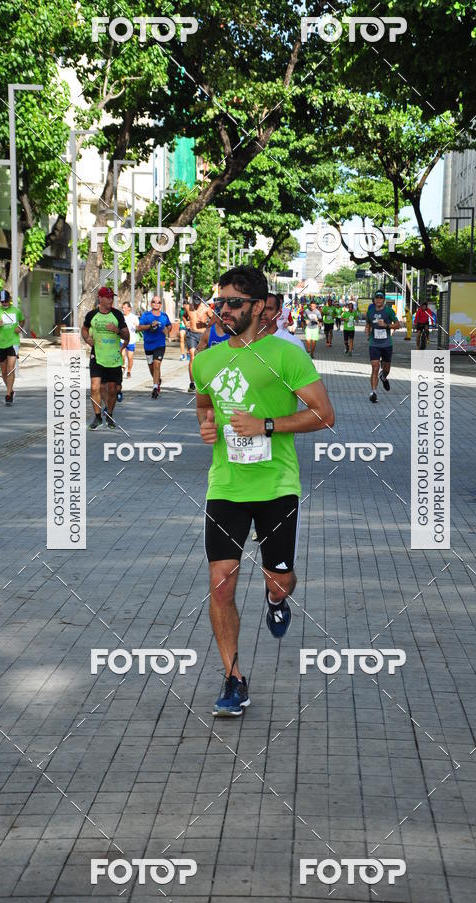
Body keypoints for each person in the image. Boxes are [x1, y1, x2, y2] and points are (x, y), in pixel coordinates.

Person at [193, 266, 335, 717]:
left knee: (279, 578)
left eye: (234, 302)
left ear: (258, 307)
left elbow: (324, 414)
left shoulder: (287, 355)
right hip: (226, 487)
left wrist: (266, 426)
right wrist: (207, 426)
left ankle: (276, 598)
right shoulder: (206, 360)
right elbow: (202, 405)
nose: (224, 309)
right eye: (220, 302)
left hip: (276, 485)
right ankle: (233, 679)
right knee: (220, 585)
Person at [82, 286, 129, 430]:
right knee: (94, 387)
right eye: (107, 297)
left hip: (113, 358)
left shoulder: (117, 315)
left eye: (112, 297)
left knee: (113, 389)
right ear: (100, 298)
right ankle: (97, 417)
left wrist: (117, 330)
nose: (110, 300)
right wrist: (87, 338)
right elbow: (84, 329)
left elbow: (127, 336)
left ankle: (109, 415)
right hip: (97, 356)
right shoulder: (91, 315)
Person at [0, 289, 25, 405]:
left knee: (10, 368)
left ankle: (8, 394)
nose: (4, 303)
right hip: (0, 343)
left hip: (13, 342)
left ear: (10, 299)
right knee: (3, 371)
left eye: (6, 301)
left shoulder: (16, 310)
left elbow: (22, 321)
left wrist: (20, 327)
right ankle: (11, 389)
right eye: (2, 302)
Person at [365, 290, 401, 403]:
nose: (379, 299)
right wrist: (367, 331)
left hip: (386, 344)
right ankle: (373, 392)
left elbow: (398, 325)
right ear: (374, 299)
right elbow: (368, 324)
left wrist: (386, 325)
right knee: (375, 367)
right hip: (374, 344)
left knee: (386, 368)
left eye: (381, 298)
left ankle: (384, 377)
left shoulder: (388, 311)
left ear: (384, 299)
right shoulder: (370, 312)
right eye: (377, 298)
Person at [137, 295, 171, 398]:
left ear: (161, 304)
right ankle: (157, 380)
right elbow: (139, 328)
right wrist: (150, 326)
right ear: (151, 303)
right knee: (151, 367)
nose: (156, 303)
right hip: (148, 345)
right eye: (154, 302)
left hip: (160, 344)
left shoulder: (164, 316)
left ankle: (155, 387)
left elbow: (169, 326)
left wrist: (167, 330)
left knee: (157, 365)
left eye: (158, 302)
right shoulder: (146, 315)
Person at [183, 294, 212, 392]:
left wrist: (206, 323)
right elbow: (184, 315)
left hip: (202, 335)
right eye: (195, 302)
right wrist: (185, 322)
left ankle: (203, 381)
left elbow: (214, 320)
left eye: (198, 302)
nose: (196, 304)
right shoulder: (188, 307)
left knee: (203, 359)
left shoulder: (206, 308)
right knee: (192, 357)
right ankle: (192, 383)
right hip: (191, 334)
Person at [121, 300, 139, 382]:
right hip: (122, 339)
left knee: (130, 358)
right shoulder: (121, 317)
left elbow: (138, 327)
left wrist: (136, 325)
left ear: (129, 308)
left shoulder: (134, 317)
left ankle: (128, 371)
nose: (123, 309)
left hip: (131, 340)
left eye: (125, 307)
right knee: (122, 355)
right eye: (122, 307)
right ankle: (123, 365)